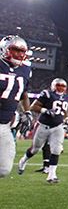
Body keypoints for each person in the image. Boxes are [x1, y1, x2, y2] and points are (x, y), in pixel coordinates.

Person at [17, 78, 68, 183]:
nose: (60, 88)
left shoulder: (67, 97)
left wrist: (67, 118)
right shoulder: (47, 94)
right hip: (43, 125)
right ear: (53, 86)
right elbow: (33, 106)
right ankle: (23, 160)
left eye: (63, 86)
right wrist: (45, 110)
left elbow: (64, 110)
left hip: (58, 126)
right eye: (58, 85)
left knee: (56, 149)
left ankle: (51, 175)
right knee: (35, 149)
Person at [0, 35, 32, 178]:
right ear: (4, 50)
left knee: (4, 169)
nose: (20, 54)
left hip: (5, 125)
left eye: (22, 51)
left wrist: (27, 112)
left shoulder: (25, 70)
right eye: (15, 50)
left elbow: (24, 93)